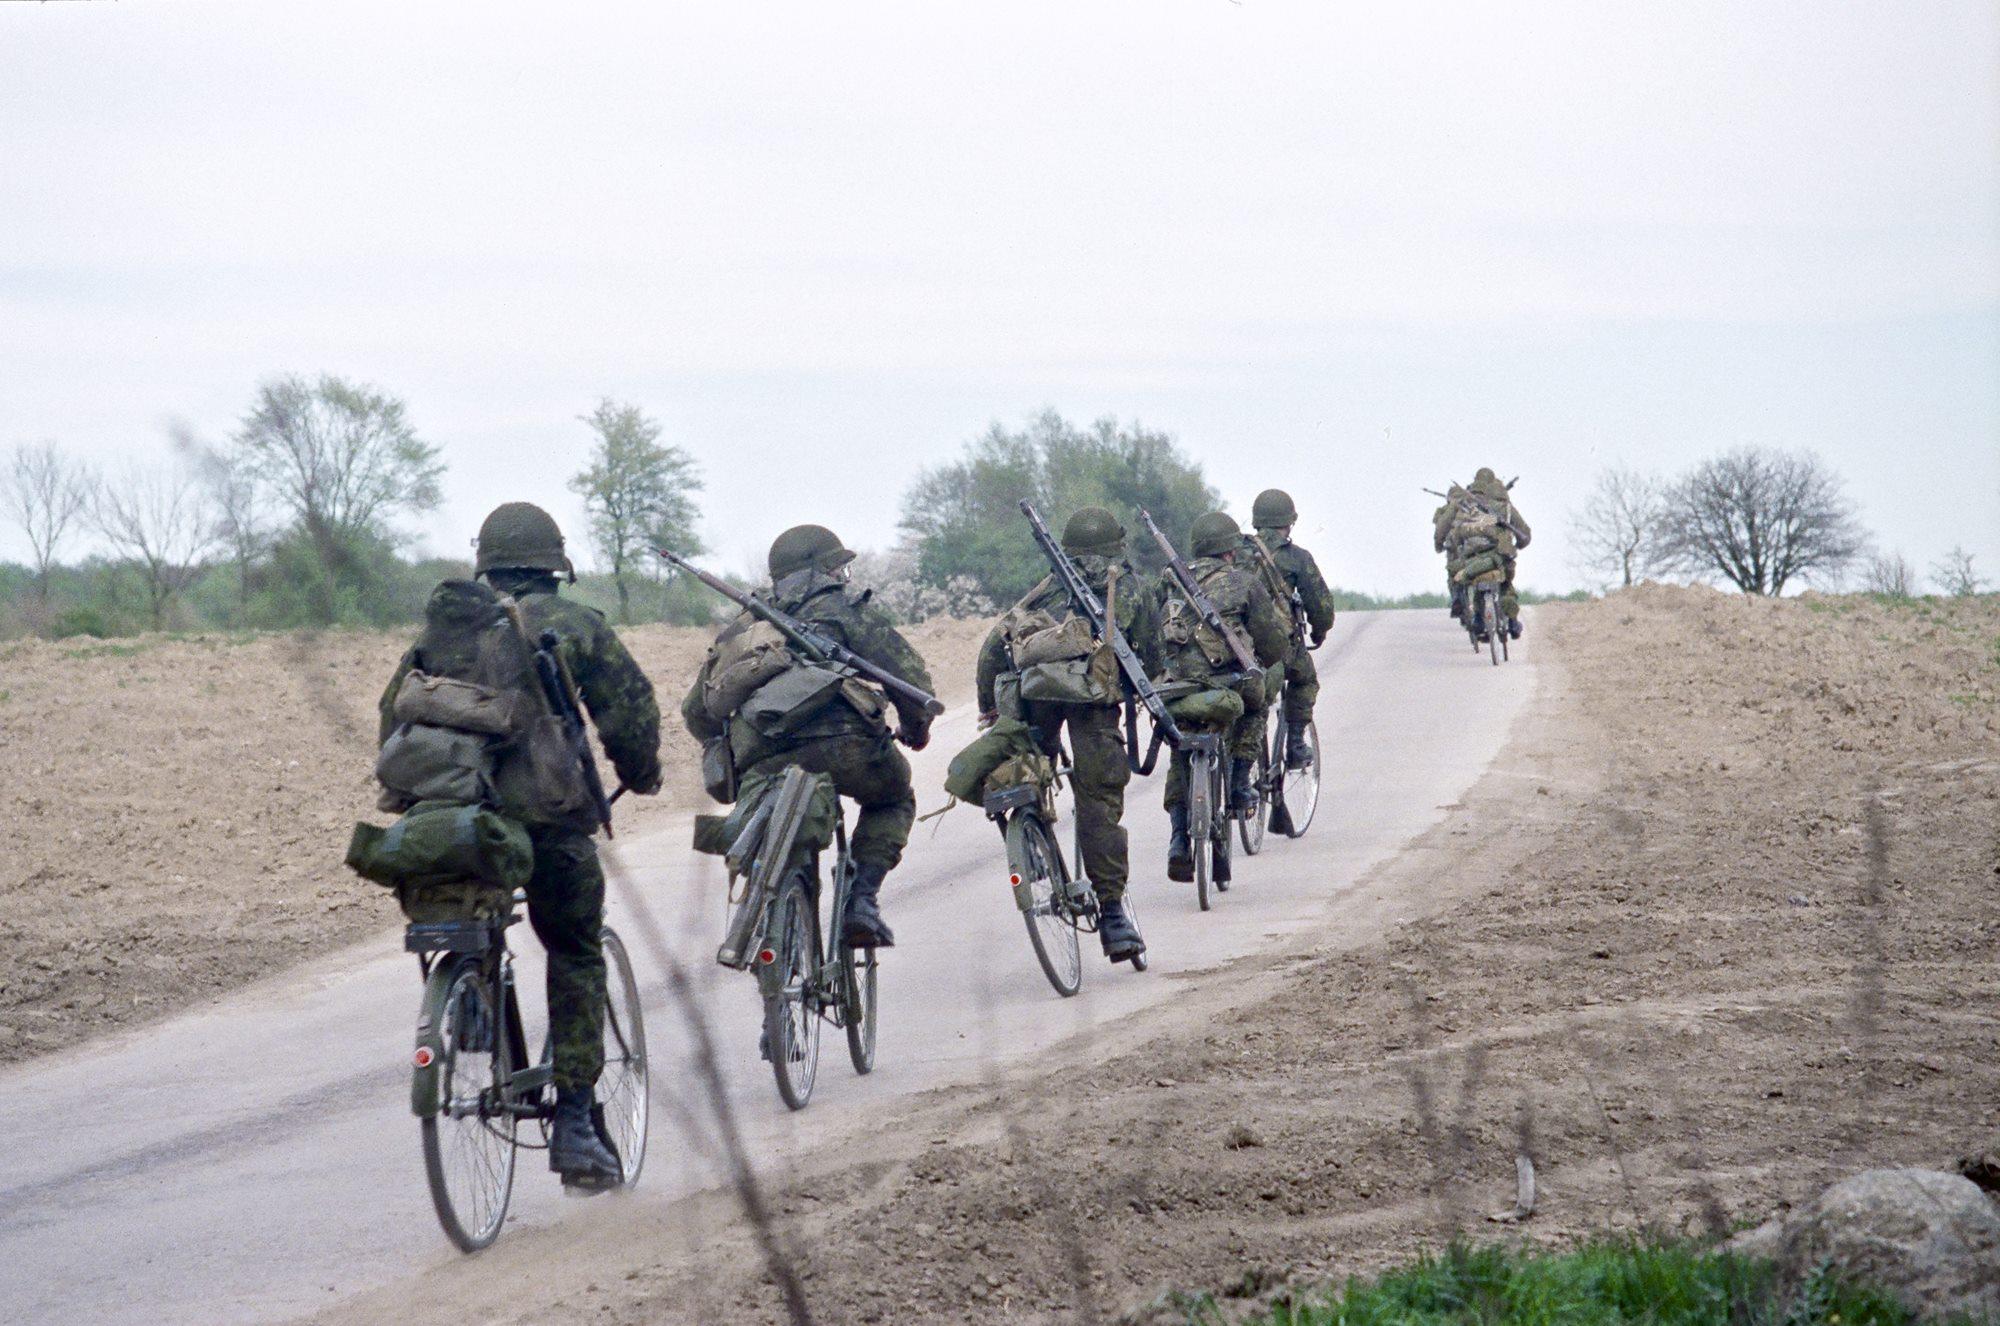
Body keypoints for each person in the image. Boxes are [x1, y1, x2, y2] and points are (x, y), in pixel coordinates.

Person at [378, 502, 663, 1185]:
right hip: (549, 821)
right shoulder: (573, 623)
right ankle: (572, 1121)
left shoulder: (439, 633)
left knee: (469, 918)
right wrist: (640, 773)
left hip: (456, 821)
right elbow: (630, 711)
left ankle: (472, 996)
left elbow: (393, 719)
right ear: (553, 565)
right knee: (573, 949)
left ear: (486, 565)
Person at [681, 524, 933, 948]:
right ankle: (862, 901)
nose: (842, 577)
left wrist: (726, 747)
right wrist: (914, 729)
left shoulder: (747, 626)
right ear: (821, 572)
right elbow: (910, 682)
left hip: (762, 752)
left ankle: (775, 915)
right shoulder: (843, 610)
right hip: (848, 745)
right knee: (894, 796)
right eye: (838, 568)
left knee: (758, 818)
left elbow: (696, 712)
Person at [975, 507, 1156, 962]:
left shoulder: (1045, 588)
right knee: (1099, 803)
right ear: (1116, 545)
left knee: (1026, 769)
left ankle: (1031, 841)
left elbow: (991, 652)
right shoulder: (1130, 587)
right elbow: (1152, 657)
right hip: (1095, 708)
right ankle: (1114, 917)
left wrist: (988, 708)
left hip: (1037, 700)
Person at [1152, 511, 1289, 883]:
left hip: (1178, 685)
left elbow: (1151, 637)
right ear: (1230, 551)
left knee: (1180, 746)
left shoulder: (1168, 581)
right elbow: (1273, 642)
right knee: (1256, 702)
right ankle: (1242, 782)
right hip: (1228, 682)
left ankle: (1179, 837)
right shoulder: (1243, 582)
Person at [1246, 489, 1336, 769]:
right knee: (1305, 679)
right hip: (1278, 646)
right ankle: (1296, 745)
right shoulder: (1296, 557)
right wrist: (1319, 631)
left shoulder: (1235, 553)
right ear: (1288, 523)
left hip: (1237, 642)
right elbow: (1320, 606)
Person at [1461, 468, 1532, 637]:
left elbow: (1458, 535)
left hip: (1474, 560)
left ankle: (1478, 617)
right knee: (1506, 585)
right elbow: (1524, 533)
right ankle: (1513, 622)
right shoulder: (1506, 508)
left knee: (1471, 581)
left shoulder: (1468, 507)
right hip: (1501, 558)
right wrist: (1519, 544)